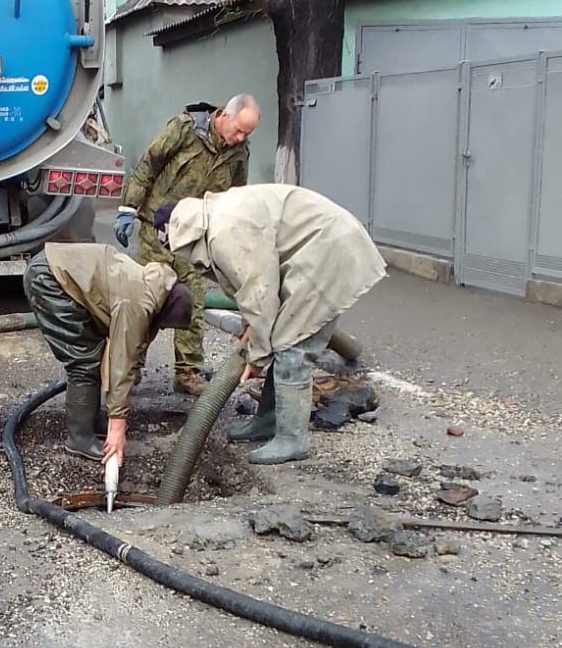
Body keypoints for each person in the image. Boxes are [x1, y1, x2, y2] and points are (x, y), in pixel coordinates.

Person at [154, 184, 386, 465]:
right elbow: (247, 287)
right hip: (318, 248)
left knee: (292, 344)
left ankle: (292, 439)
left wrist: (256, 356)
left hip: (328, 250)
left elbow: (260, 295)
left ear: (177, 235)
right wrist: (255, 332)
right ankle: (268, 420)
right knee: (280, 336)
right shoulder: (213, 220)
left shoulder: (224, 232)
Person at [112, 95, 260, 397]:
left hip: (196, 239)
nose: (241, 138)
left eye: (248, 133)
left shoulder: (239, 152)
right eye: (239, 130)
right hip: (159, 230)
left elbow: (236, 197)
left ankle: (187, 372)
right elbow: (148, 165)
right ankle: (130, 368)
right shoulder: (185, 129)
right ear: (224, 116)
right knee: (145, 299)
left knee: (193, 299)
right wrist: (128, 209)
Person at [23, 244, 193, 468]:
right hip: (50, 278)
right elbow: (120, 362)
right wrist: (117, 427)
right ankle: (79, 438)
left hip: (60, 269)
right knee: (83, 362)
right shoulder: (136, 304)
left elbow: (137, 343)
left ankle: (90, 422)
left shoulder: (155, 285)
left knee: (93, 355)